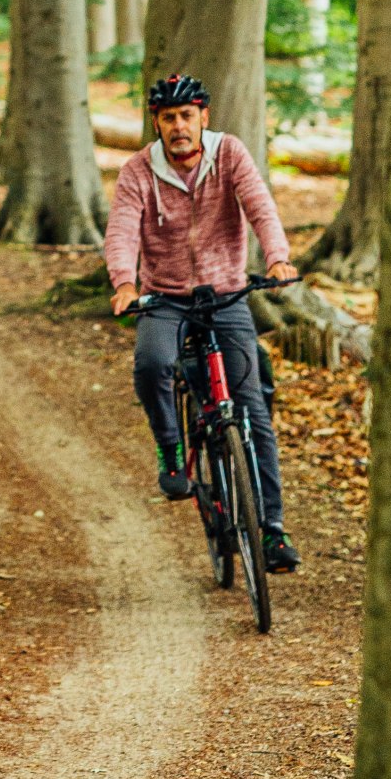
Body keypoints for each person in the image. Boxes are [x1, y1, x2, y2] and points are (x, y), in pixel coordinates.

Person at [103, 74, 303, 573]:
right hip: (164, 297)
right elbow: (123, 229)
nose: (178, 126)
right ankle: (171, 447)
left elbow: (261, 208)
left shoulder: (229, 154)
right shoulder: (137, 171)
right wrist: (124, 283)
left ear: (203, 118)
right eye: (168, 118)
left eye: (186, 116)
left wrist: (277, 258)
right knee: (153, 364)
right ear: (156, 123)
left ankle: (273, 529)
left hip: (228, 293)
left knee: (252, 409)